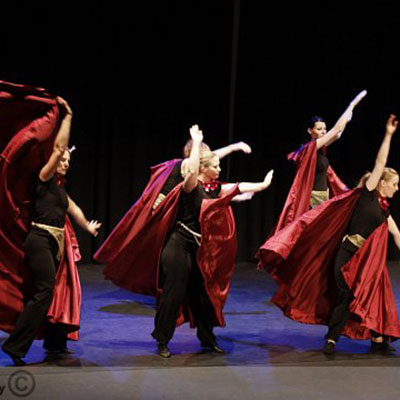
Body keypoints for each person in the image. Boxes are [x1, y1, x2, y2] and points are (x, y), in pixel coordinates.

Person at [94, 125, 273, 358]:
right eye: (215, 166)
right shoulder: (189, 184)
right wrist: (197, 142)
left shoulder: (214, 188)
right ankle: (162, 339)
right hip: (178, 244)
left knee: (204, 294)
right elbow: (194, 170)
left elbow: (238, 186)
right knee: (173, 294)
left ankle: (207, 339)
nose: (220, 168)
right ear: (202, 167)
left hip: (197, 248)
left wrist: (263, 184)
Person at [257, 114, 400, 356]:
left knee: (373, 290)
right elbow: (380, 162)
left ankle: (376, 337)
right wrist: (388, 135)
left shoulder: (384, 210)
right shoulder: (367, 195)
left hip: (364, 262)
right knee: (347, 294)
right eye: (394, 184)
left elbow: (396, 234)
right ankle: (332, 339)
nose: (396, 188)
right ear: (381, 183)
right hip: (346, 255)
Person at [1, 87, 101, 366]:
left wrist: (87, 226)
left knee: (55, 293)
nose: (65, 163)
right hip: (40, 239)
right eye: (63, 160)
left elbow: (74, 209)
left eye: (69, 161)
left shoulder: (59, 189)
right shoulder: (43, 179)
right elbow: (58, 149)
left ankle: (54, 342)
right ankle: (15, 345)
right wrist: (67, 117)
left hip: (55, 242)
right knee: (44, 291)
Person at [273, 90, 367, 234]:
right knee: (316, 234)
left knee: (323, 234)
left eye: (324, 129)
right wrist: (352, 105)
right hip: (312, 200)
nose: (323, 131)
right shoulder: (308, 148)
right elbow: (336, 130)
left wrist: (347, 120)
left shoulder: (319, 149)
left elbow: (338, 134)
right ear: (310, 131)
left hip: (323, 197)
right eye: (319, 129)